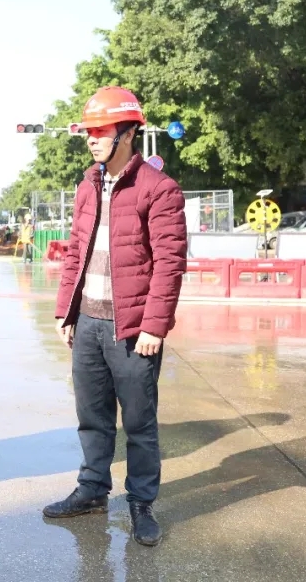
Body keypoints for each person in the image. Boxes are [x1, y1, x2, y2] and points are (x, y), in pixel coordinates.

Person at [42, 86, 187, 548]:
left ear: (128, 133)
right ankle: (91, 490)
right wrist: (66, 311)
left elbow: (170, 264)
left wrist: (154, 326)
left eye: (101, 131)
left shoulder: (159, 189)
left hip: (133, 329)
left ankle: (141, 503)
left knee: (139, 424)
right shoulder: (88, 185)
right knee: (92, 417)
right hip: (88, 322)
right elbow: (75, 252)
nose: (91, 139)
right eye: (88, 131)